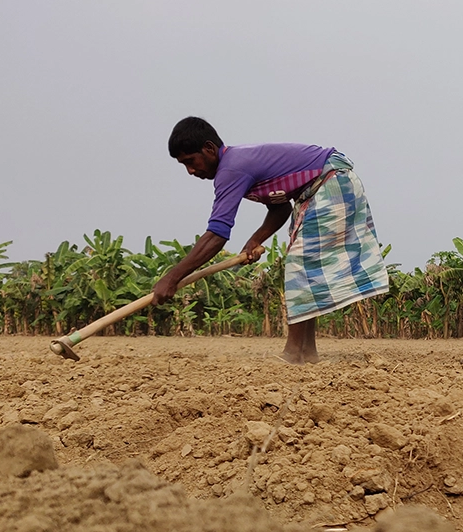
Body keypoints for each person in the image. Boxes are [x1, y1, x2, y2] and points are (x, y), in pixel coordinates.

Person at [158, 117, 389, 364]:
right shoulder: (237, 164)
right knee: (304, 265)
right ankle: (306, 353)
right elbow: (280, 209)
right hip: (324, 186)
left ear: (209, 148)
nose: (190, 171)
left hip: (330, 181)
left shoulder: (231, 169)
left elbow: (216, 234)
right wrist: (254, 240)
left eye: (190, 162)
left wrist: (172, 278)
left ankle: (293, 353)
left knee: (301, 263)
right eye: (184, 165)